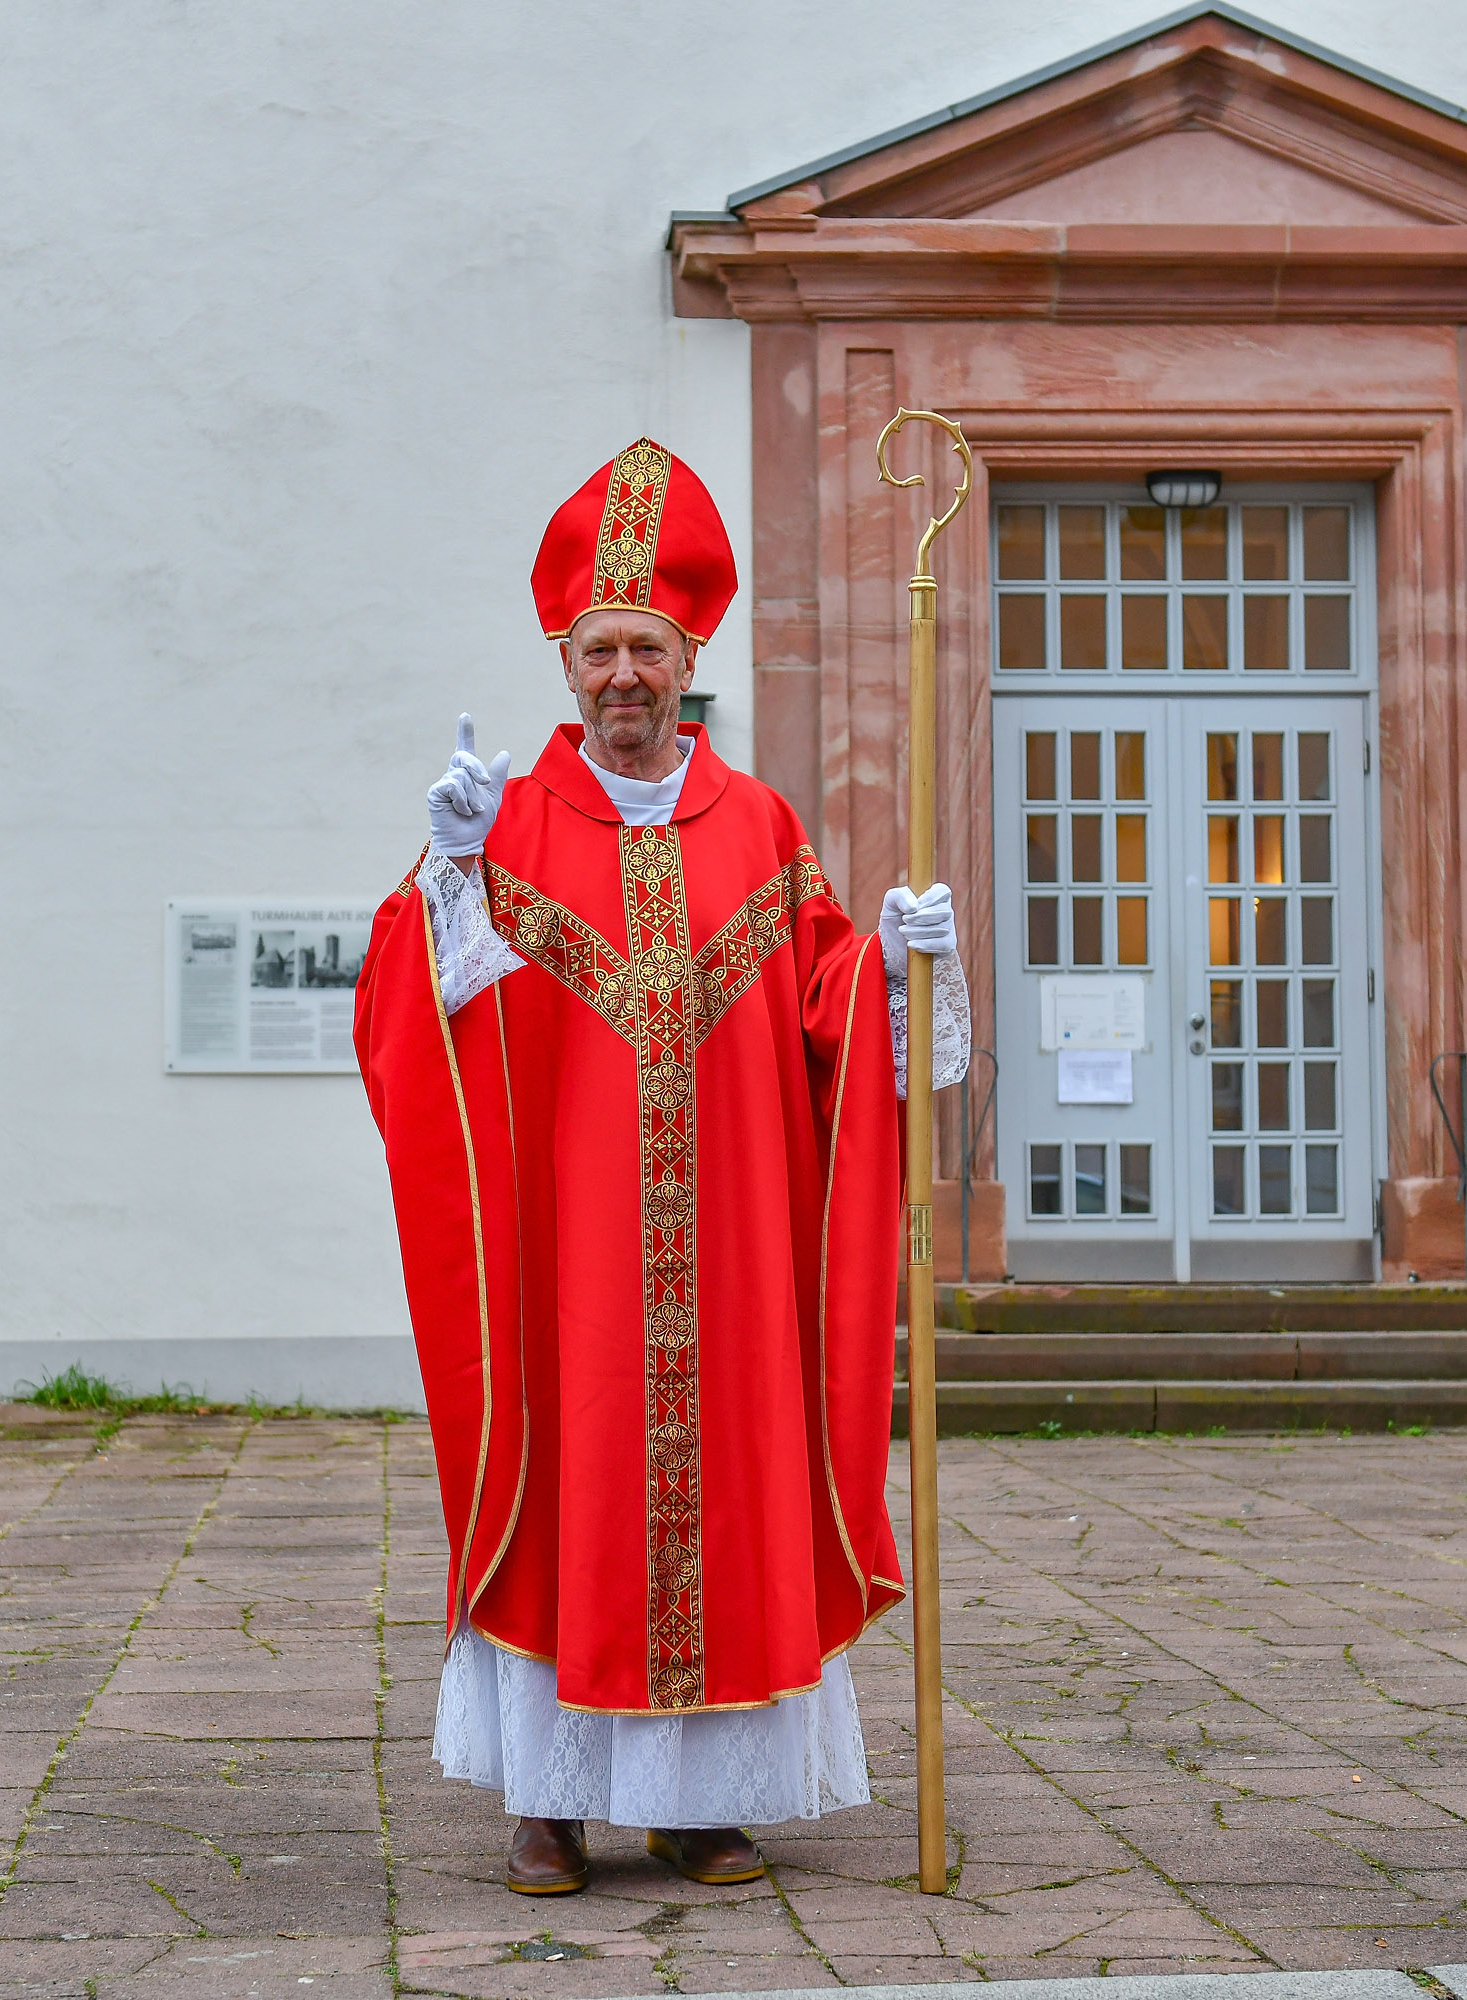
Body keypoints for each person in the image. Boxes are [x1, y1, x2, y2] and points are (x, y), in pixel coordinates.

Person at [352, 439, 967, 1896]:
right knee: (566, 1490)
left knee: (729, 1497)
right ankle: (550, 1803)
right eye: (599, 649)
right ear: (565, 664)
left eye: (649, 648)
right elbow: (412, 1025)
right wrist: (447, 876)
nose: (624, 674)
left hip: (733, 1260)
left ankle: (703, 1805)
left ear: (692, 660)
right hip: (564, 1261)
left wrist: (900, 967)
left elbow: (826, 1009)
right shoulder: (502, 823)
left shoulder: (759, 826)